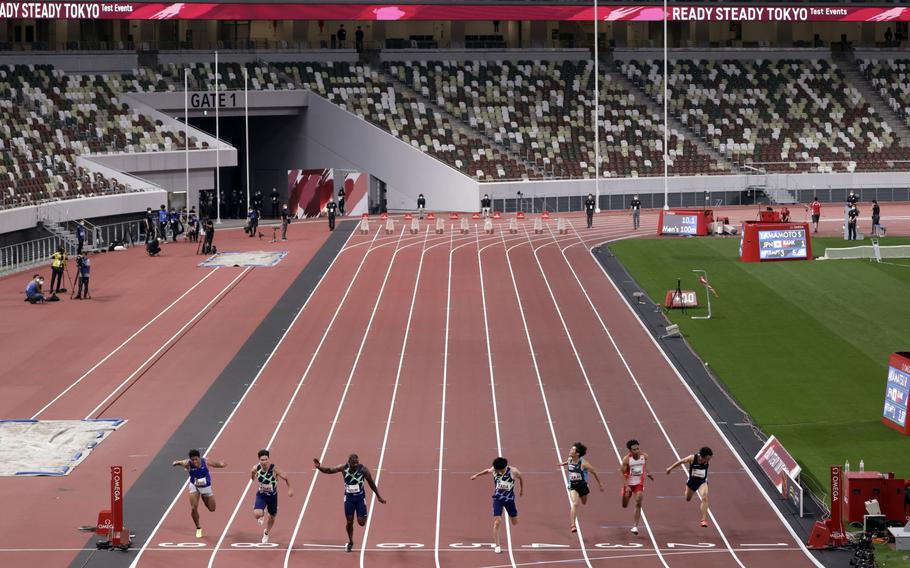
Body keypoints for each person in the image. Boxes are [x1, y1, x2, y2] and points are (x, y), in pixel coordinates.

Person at [313, 454, 386, 553]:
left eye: (357, 464)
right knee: (349, 522)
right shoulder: (343, 468)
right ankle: (350, 542)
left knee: (361, 522)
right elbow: (329, 470)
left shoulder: (363, 470)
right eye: (353, 464)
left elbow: (371, 483)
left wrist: (378, 496)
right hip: (349, 499)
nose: (355, 466)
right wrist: (319, 468)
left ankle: (363, 512)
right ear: (349, 463)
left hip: (360, 498)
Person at [471, 457, 523, 554]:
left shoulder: (513, 471)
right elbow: (487, 471)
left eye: (498, 470)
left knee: (515, 522)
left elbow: (521, 478)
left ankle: (511, 514)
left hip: (509, 500)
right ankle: (497, 545)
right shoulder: (495, 469)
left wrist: (521, 490)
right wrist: (476, 475)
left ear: (504, 467)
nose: (496, 471)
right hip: (497, 499)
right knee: (497, 522)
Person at [172, 449, 227, 538]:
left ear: (199, 458)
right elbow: (179, 462)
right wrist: (176, 463)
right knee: (194, 508)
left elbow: (217, 465)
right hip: (194, 486)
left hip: (206, 488)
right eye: (192, 460)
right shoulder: (187, 463)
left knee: (212, 509)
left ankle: (204, 498)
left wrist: (222, 464)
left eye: (196, 459)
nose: (194, 462)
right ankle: (198, 528)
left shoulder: (206, 461)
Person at [559, 442, 604, 533]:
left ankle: (581, 494)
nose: (570, 450)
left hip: (583, 486)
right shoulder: (570, 459)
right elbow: (568, 462)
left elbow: (594, 471)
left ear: (577, 453)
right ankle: (573, 525)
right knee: (575, 503)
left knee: (584, 502)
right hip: (573, 486)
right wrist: (563, 464)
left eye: (572, 450)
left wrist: (600, 484)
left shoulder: (584, 464)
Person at [252, 449, 293, 544]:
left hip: (272, 497)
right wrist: (252, 477)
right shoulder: (256, 468)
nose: (264, 462)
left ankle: (266, 533)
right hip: (261, 495)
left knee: (272, 517)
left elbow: (286, 477)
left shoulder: (274, 469)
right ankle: (261, 514)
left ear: (268, 459)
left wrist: (290, 488)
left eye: (266, 459)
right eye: (262, 460)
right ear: (259, 460)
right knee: (257, 514)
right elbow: (252, 473)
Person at [666, 446, 713, 527]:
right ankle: (687, 488)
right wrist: (670, 468)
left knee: (705, 497)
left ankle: (703, 520)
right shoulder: (692, 458)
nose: (708, 460)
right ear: (702, 456)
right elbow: (681, 462)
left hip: (702, 482)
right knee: (688, 499)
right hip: (692, 482)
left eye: (709, 459)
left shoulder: (706, 461)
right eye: (707, 458)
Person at [619, 439, 654, 535]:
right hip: (629, 484)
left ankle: (635, 526)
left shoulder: (644, 456)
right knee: (624, 505)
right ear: (630, 451)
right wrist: (626, 486)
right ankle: (624, 491)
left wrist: (648, 472)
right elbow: (621, 472)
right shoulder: (626, 459)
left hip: (639, 484)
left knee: (639, 501)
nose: (637, 451)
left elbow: (645, 465)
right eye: (634, 449)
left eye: (638, 448)